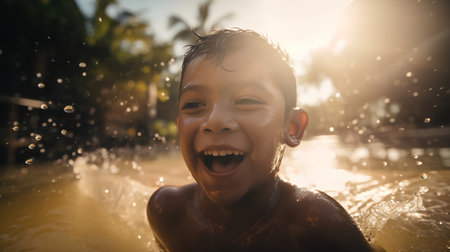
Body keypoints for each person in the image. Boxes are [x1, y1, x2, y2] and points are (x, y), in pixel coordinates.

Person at [147, 29, 372, 252]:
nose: (214, 121)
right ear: (180, 128)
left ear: (292, 127)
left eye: (246, 100)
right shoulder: (168, 213)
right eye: (194, 105)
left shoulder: (317, 223)